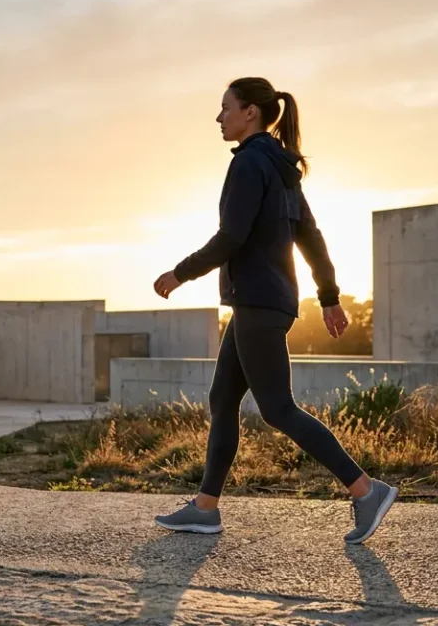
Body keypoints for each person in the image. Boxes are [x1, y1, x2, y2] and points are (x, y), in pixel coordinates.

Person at [150, 77, 397, 545]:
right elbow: (311, 237)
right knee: (223, 400)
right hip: (266, 301)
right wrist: (327, 297)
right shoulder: (282, 167)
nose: (219, 117)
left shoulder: (250, 164)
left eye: (225, 107)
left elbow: (231, 237)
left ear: (250, 113)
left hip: (257, 301)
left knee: (278, 409)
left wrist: (180, 273)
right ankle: (205, 508)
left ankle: (366, 490)